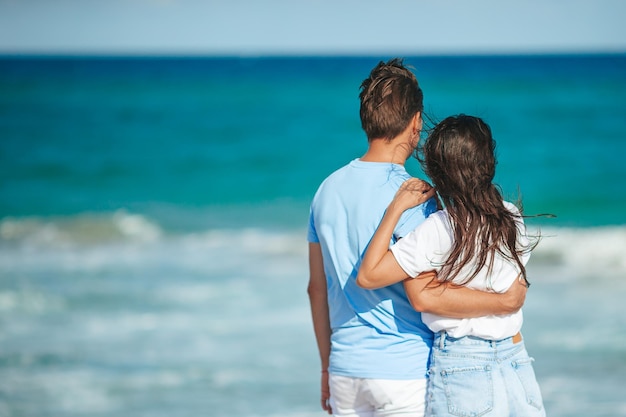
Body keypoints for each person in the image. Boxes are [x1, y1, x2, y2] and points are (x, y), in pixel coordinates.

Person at [307, 59, 528, 417]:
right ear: (415, 123)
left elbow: (316, 288)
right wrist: (503, 303)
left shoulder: (325, 191)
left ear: (367, 121)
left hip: (345, 370)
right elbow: (424, 292)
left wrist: (325, 366)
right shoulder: (416, 195)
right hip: (404, 369)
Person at [357, 114, 546, 416]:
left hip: (463, 361)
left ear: (438, 174)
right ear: (488, 163)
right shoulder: (512, 218)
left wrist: (395, 210)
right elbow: (513, 294)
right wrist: (503, 302)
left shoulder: (439, 229)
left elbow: (369, 275)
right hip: (516, 360)